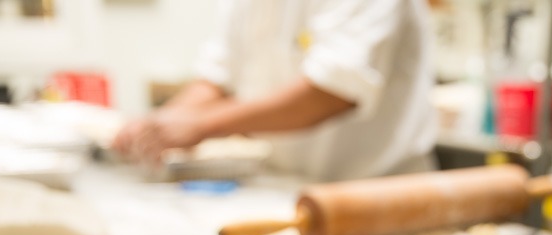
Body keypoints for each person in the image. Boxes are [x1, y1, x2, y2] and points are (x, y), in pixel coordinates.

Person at [113, 0, 438, 182]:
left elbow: (331, 93)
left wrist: (202, 126)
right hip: (286, 186)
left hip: (381, 190)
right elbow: (217, 79)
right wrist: (160, 123)